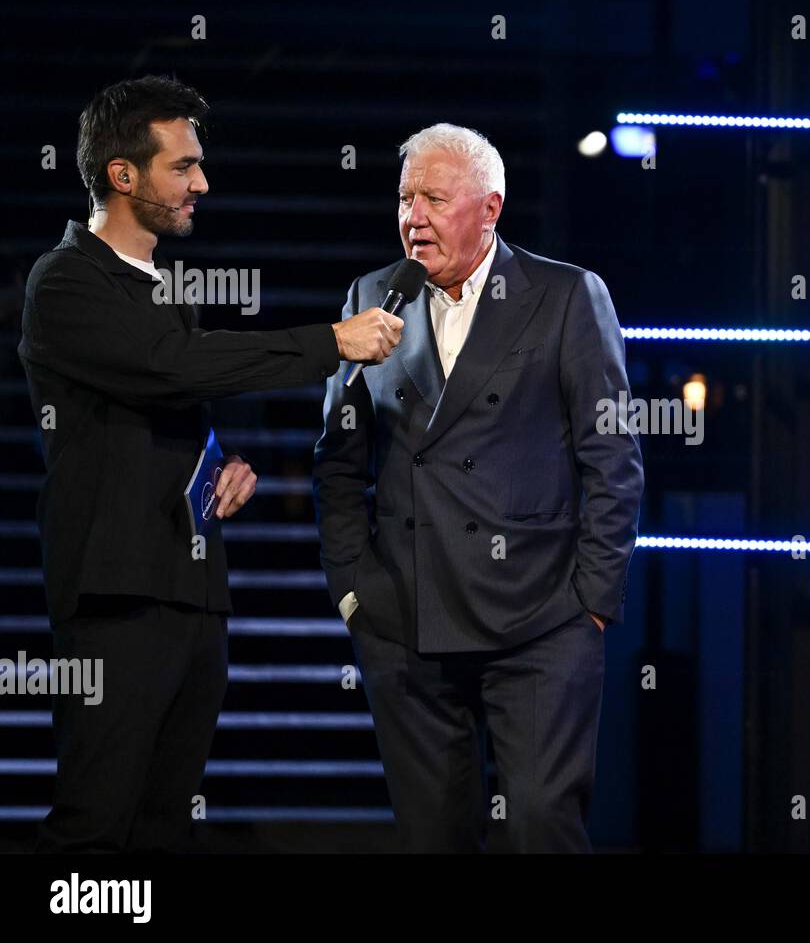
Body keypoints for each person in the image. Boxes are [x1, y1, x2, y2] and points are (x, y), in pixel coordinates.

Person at [19, 75, 403, 852]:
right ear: (122, 176)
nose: (203, 182)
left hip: (192, 591)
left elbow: (157, 398)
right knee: (94, 822)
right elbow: (169, 366)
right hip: (116, 596)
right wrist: (332, 340)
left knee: (163, 825)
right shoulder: (63, 280)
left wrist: (222, 461)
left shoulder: (162, 289)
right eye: (183, 166)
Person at [313, 123, 643, 852]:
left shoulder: (565, 295)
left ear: (490, 209)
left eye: (434, 197)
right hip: (406, 620)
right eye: (405, 198)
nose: (413, 216)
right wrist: (353, 590)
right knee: (434, 837)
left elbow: (614, 458)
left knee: (538, 829)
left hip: (541, 622)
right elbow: (336, 460)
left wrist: (592, 601)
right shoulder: (371, 295)